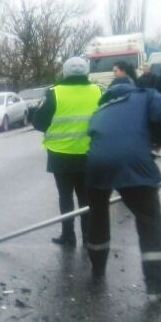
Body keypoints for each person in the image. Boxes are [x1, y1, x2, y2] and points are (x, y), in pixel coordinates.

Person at [84, 81, 161, 300]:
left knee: (97, 217)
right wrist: (159, 141)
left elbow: (96, 134)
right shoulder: (146, 95)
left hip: (96, 164)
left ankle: (97, 270)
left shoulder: (102, 109)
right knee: (149, 220)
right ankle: (157, 282)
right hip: (132, 162)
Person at [32, 56, 102, 247]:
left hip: (60, 155)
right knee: (86, 198)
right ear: (86, 72)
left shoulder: (54, 93)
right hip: (89, 154)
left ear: (64, 72)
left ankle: (68, 236)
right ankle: (88, 236)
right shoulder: (98, 91)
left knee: (65, 197)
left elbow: (39, 123)